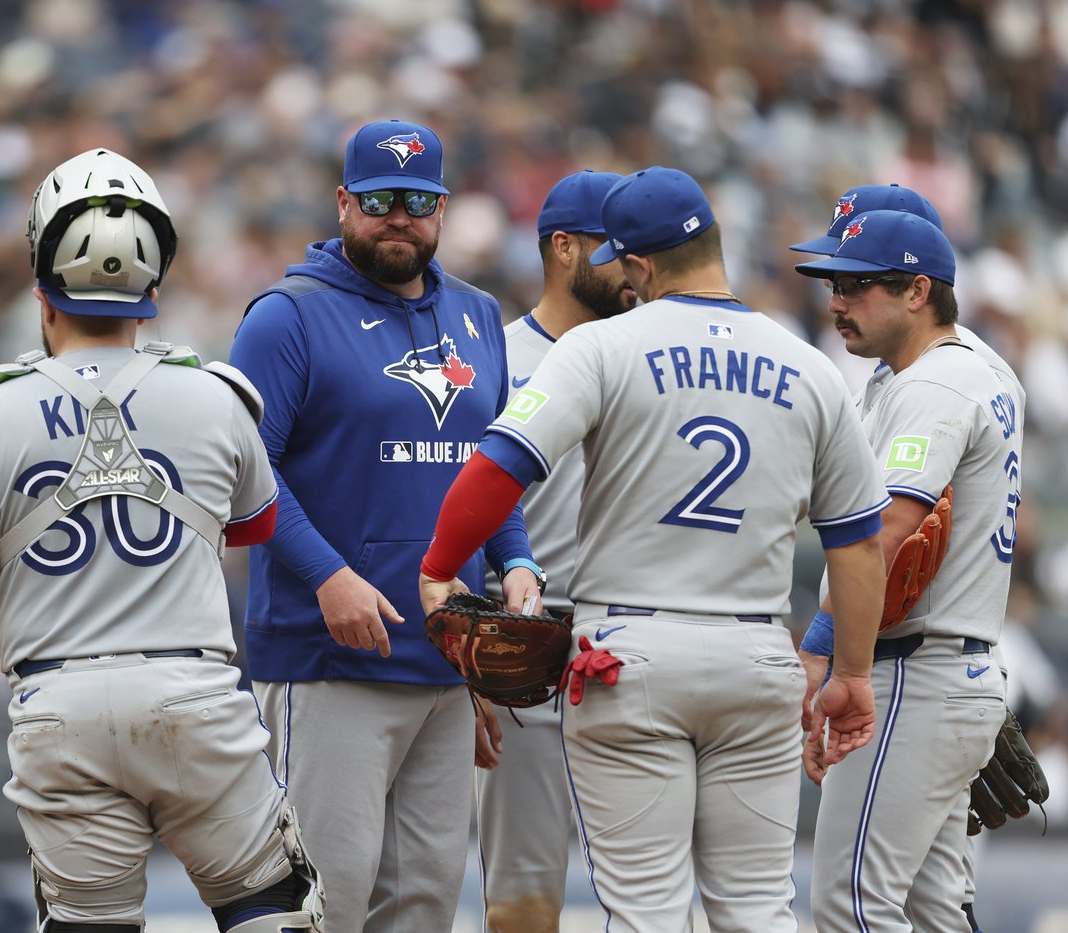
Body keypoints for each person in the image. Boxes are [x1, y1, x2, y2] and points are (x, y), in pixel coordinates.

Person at [418, 166, 888, 932]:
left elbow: (494, 470)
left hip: (629, 653)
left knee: (645, 913)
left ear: (636, 263)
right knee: (758, 910)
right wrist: (855, 674)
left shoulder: (604, 345)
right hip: (757, 652)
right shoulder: (808, 363)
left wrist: (438, 569)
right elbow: (859, 545)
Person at [0, 148, 323, 933]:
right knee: (270, 912)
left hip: (58, 702)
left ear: (41, 286)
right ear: (153, 289)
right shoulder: (217, 393)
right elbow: (257, 525)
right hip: (194, 693)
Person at [227, 119, 542, 931]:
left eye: (417, 200)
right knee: (322, 906)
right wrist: (330, 576)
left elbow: (493, 473)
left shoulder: (477, 315)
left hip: (442, 661)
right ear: (343, 202)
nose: (398, 216)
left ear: (441, 207)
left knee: (424, 910)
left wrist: (517, 564)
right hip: (329, 660)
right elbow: (245, 474)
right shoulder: (287, 316)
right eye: (378, 200)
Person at [791, 182, 1022, 933]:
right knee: (933, 913)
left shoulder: (939, 379)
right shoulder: (940, 372)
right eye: (834, 282)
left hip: (911, 672)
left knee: (851, 905)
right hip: (946, 668)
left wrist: (825, 654)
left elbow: (885, 531)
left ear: (918, 289)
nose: (836, 301)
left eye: (855, 284)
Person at [474, 169, 636, 933]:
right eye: (616, 247)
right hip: (527, 647)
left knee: (653, 897)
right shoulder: (491, 358)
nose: (634, 262)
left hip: (638, 643)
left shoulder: (652, 356)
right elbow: (464, 516)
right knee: (522, 899)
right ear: (563, 248)